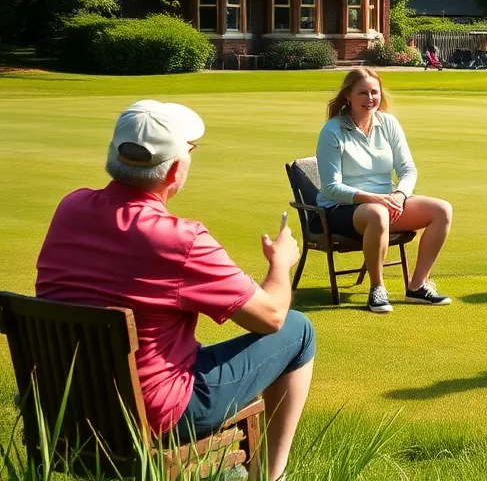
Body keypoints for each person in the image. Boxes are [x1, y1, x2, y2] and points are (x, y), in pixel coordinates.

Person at [36, 101, 314, 481]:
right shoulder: (181, 240)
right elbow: (271, 317)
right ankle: (269, 477)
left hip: (66, 402)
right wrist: (280, 264)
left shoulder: (70, 207)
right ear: (174, 170)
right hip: (153, 412)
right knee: (299, 331)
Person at [315, 67, 454, 311]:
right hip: (341, 208)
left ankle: (417, 287)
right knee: (377, 213)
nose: (370, 98)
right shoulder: (332, 131)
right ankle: (377, 289)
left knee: (442, 210)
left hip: (387, 202)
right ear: (348, 95)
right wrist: (376, 199)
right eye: (362, 93)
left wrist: (399, 195)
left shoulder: (388, 123)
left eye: (374, 92)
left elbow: (408, 169)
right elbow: (331, 187)